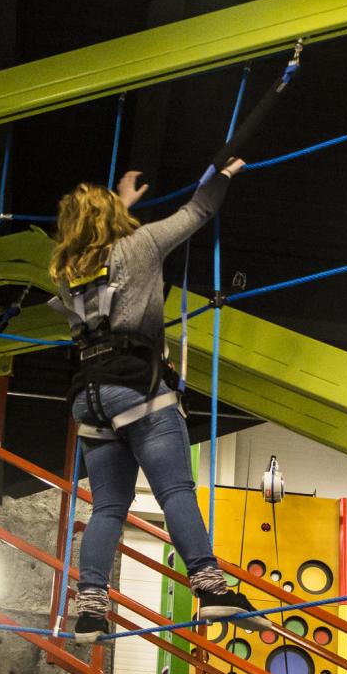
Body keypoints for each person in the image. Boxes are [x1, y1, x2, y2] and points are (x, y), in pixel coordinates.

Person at [49, 159, 268, 644]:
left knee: (108, 506)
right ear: (111, 219)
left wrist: (118, 205)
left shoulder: (66, 273)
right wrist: (224, 173)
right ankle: (211, 586)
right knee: (174, 491)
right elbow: (199, 210)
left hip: (89, 397)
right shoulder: (140, 246)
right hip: (136, 389)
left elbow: (98, 250)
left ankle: (89, 609)